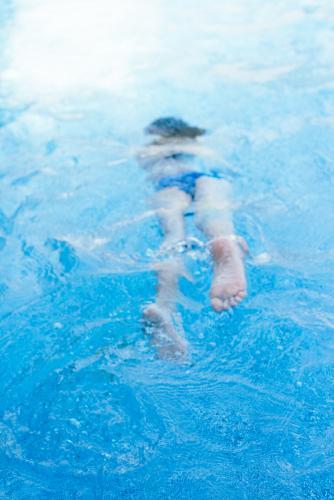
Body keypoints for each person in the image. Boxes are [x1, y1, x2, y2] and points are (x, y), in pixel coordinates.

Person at [137, 117, 247, 358]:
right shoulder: (203, 148)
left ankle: (163, 306)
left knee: (173, 236)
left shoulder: (151, 152)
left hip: (168, 185)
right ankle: (224, 241)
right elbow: (233, 170)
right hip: (210, 176)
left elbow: (145, 164)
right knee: (215, 212)